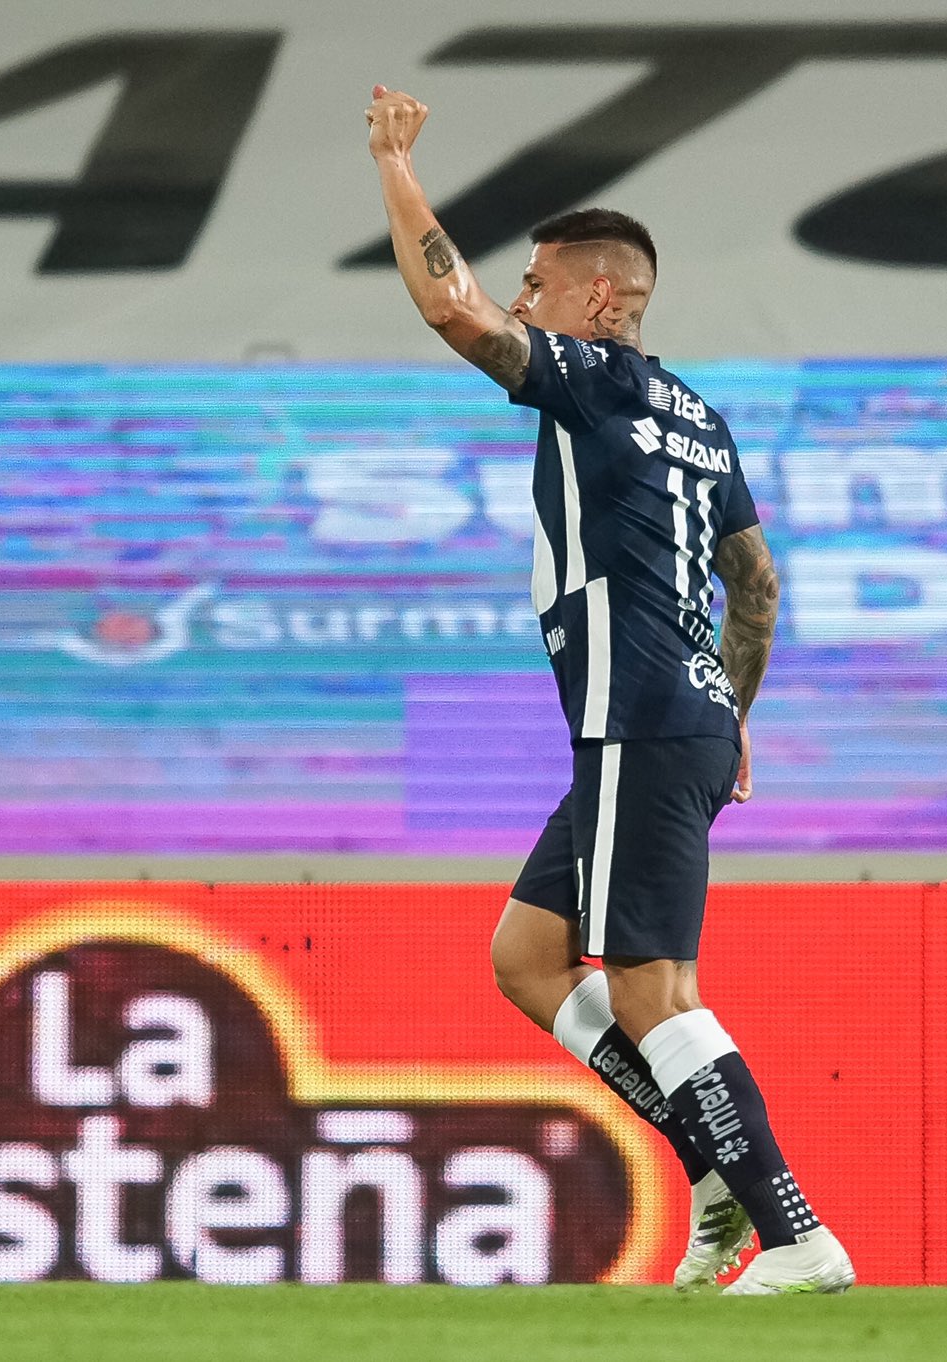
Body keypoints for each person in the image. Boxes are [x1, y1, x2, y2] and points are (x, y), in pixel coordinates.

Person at [364, 83, 853, 1295]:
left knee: (651, 987)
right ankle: (714, 1177)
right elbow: (757, 589)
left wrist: (393, 165)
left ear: (594, 298)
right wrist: (734, 720)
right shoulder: (698, 416)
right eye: (524, 285)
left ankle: (793, 1230)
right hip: (671, 720)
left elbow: (447, 304)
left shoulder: (591, 379)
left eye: (537, 281)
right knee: (528, 958)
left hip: (635, 717)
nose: (520, 298)